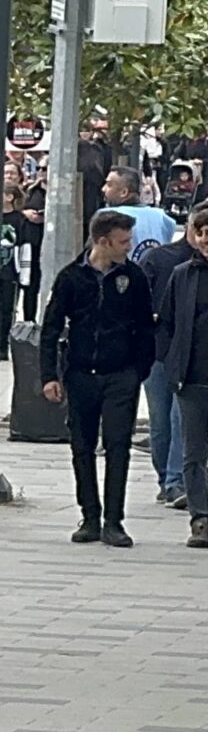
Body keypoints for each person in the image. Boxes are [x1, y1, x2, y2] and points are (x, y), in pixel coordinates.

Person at [40, 209, 155, 547]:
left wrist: (139, 370)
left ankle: (114, 521)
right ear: (102, 242)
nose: (128, 247)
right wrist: (50, 374)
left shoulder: (132, 277)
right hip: (81, 374)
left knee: (119, 445)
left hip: (121, 374)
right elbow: (51, 328)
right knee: (82, 446)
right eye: (123, 241)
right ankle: (89, 515)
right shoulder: (71, 278)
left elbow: (146, 327)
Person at [159, 209, 208, 545]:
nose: (206, 240)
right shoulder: (183, 274)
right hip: (192, 379)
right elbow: (167, 323)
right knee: (193, 453)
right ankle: (201, 518)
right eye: (201, 232)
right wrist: (172, 360)